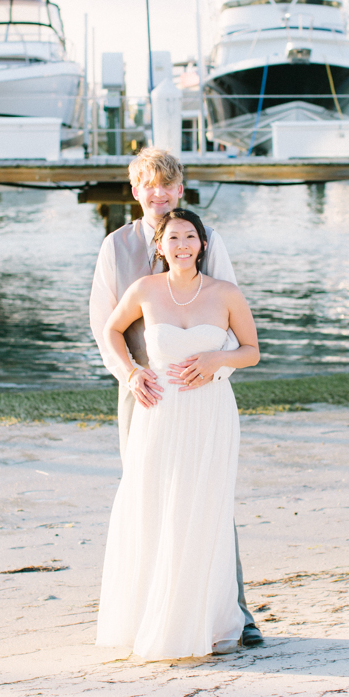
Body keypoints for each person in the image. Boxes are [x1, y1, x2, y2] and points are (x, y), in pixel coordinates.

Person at [89, 147, 263, 648]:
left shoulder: (206, 241)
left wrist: (216, 369)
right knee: (146, 496)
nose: (159, 193)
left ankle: (234, 611)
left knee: (207, 498)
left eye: (168, 185)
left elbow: (230, 312)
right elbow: (106, 326)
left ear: (180, 190)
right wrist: (128, 375)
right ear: (136, 191)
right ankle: (148, 608)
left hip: (201, 393)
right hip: (142, 393)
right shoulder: (115, 248)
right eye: (150, 185)